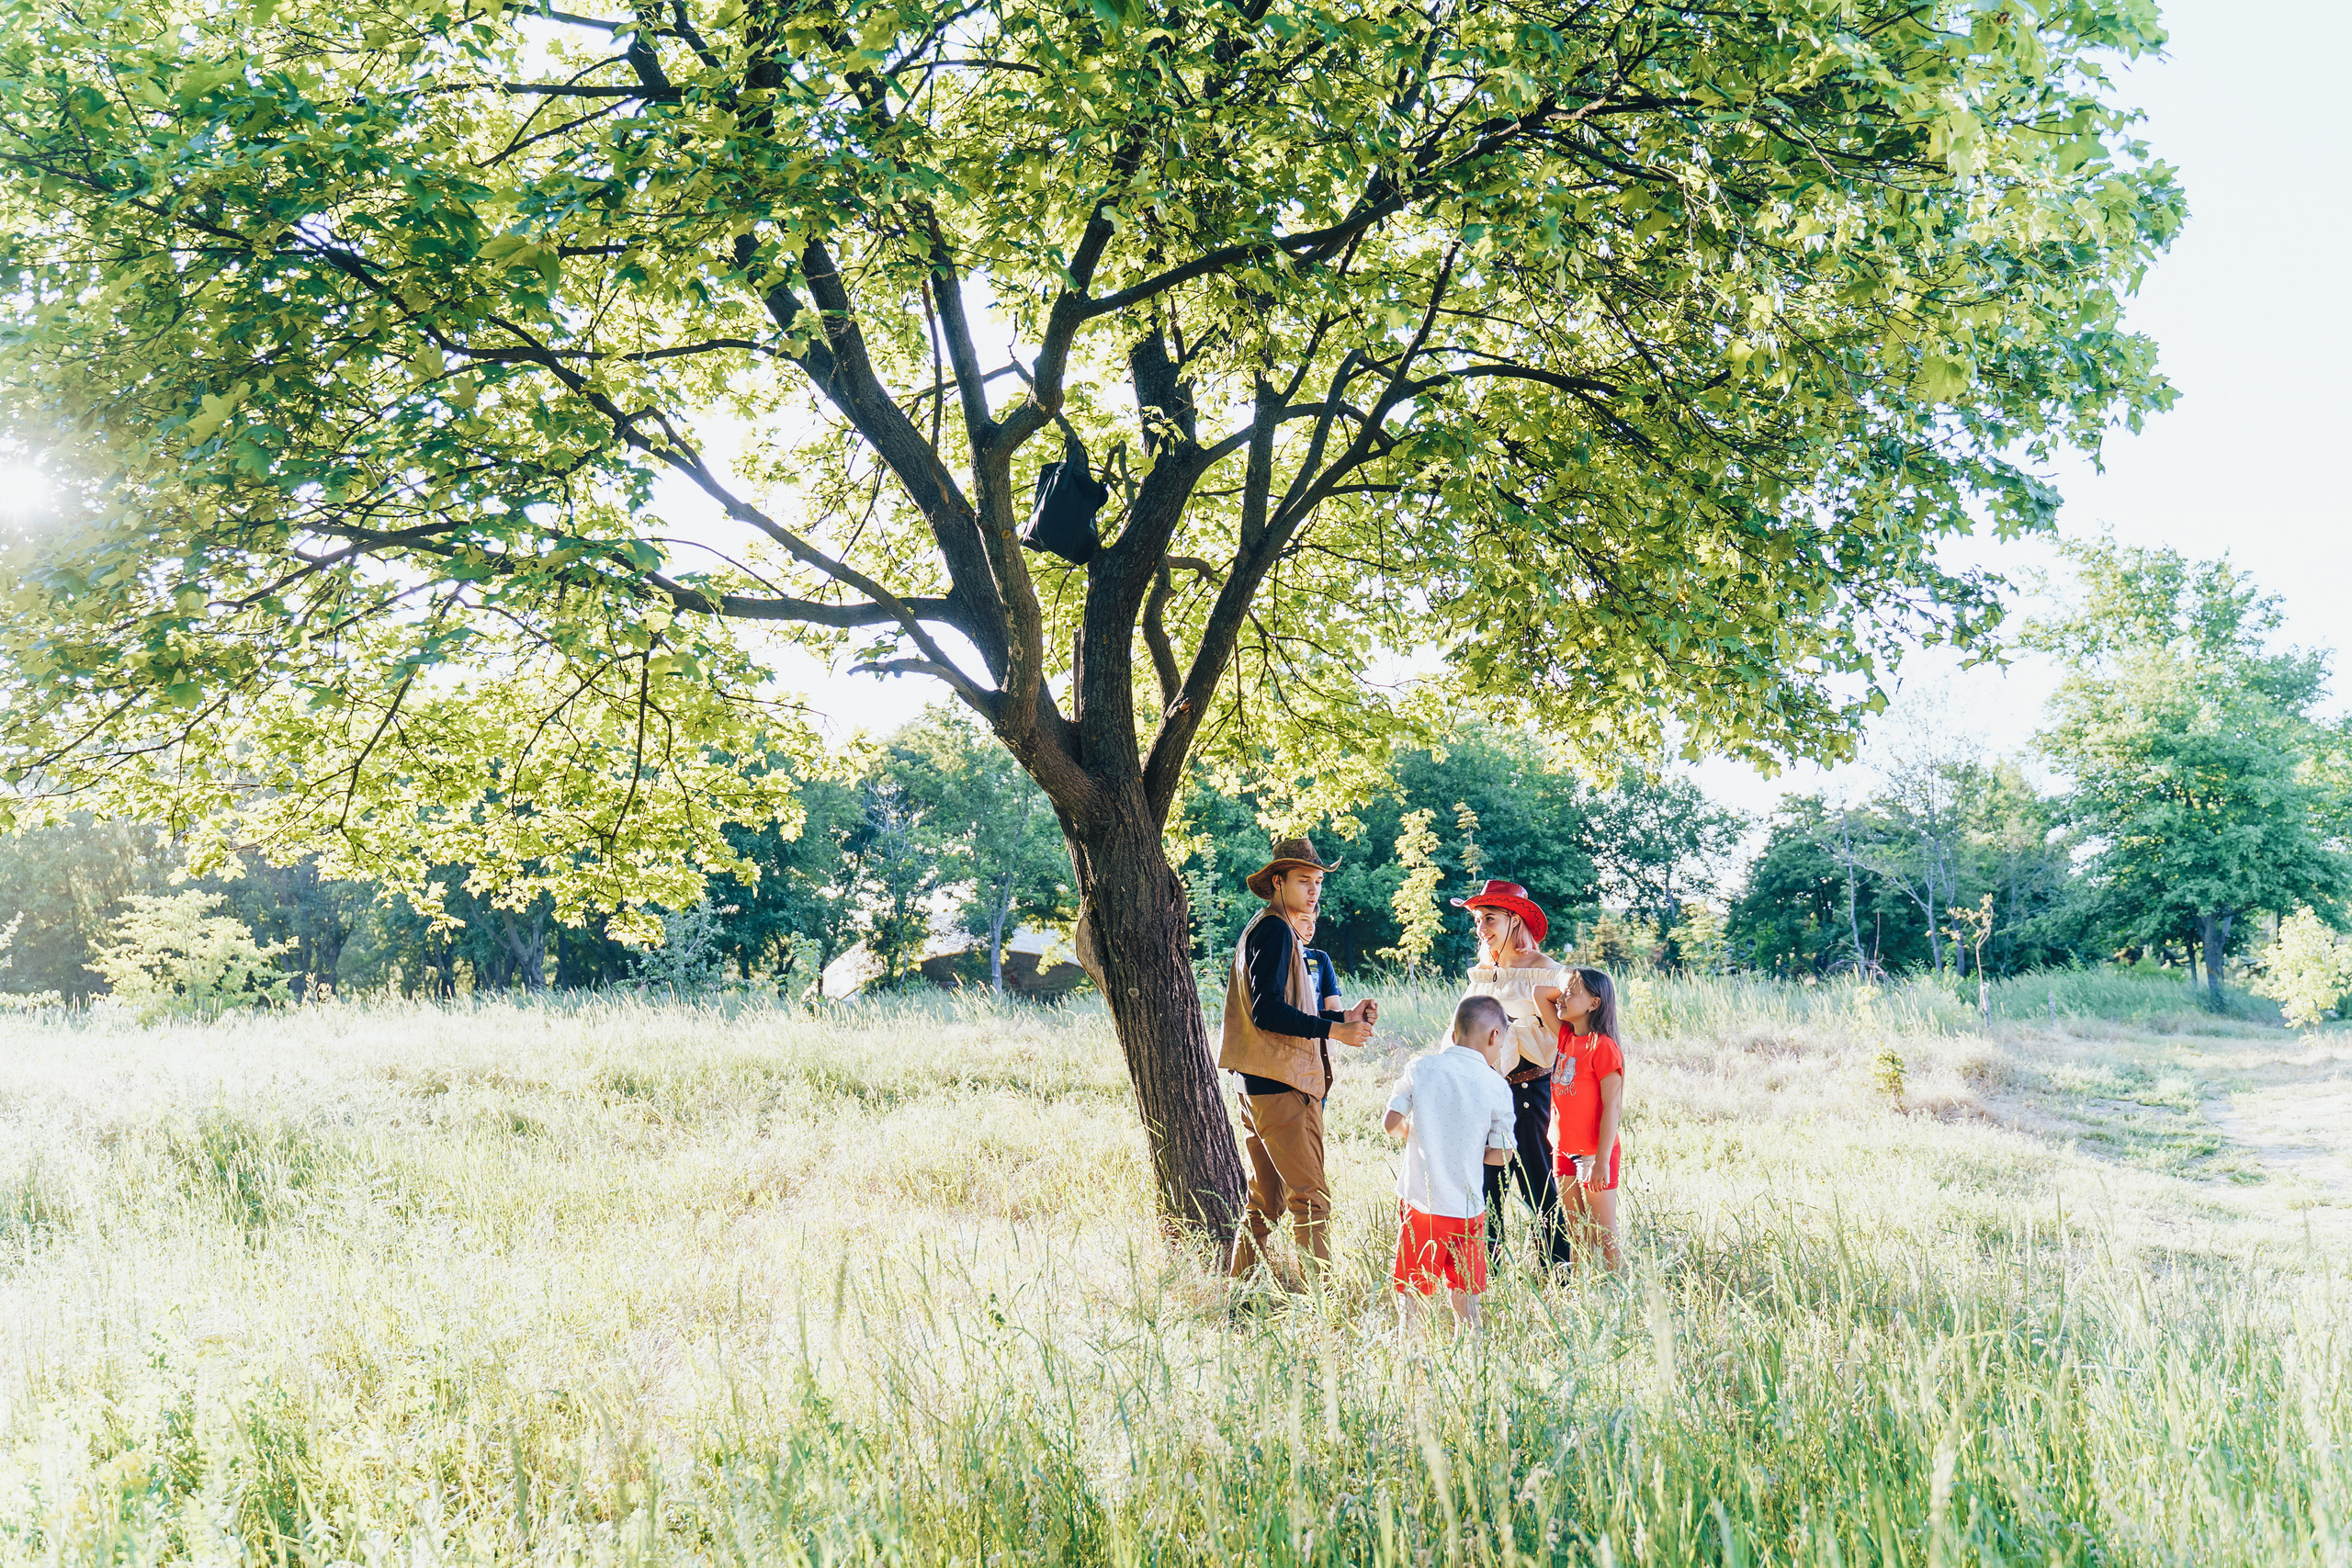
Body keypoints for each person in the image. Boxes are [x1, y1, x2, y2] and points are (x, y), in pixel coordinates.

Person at [1219, 837, 1376, 1282]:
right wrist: (1336, 1031)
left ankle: (1236, 1294)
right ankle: (1321, 1313)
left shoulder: (1273, 930)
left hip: (1259, 1084)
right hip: (1283, 1086)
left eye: (1318, 882)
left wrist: (1346, 1016)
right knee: (1311, 1199)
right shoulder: (1274, 930)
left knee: (1266, 1202)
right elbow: (1266, 1011)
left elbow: (1291, 1007)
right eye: (1304, 880)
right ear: (1277, 881)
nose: (1314, 890)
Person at [1449, 879, 1574, 1269]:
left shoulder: (1546, 972)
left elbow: (1563, 1036)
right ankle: (1490, 1268)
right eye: (1477, 920)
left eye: (1489, 918)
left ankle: (1557, 1269)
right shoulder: (1482, 975)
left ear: (1514, 919)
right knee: (1487, 1182)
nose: (1481, 928)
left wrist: (1510, 1028)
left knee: (1537, 1178)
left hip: (1527, 1089)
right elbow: (1461, 1030)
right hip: (1482, 1092)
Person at [1384, 995, 1516, 1327]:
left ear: (1454, 1033)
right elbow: (1503, 1154)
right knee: (1466, 1296)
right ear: (1493, 1037)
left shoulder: (1421, 1067)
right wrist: (1474, 1152)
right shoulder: (1498, 1086)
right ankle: (1471, 1356)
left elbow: (1390, 1123)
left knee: (1412, 1294)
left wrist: (1412, 1132)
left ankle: (1411, 1359)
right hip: (1468, 1210)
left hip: (1421, 1205)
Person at [1538, 965, 1626, 1271]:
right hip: (1562, 1149)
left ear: (1594, 1003)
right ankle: (1584, 1292)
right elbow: (1540, 993)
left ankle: (1622, 1291)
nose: (1561, 998)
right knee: (1578, 1233)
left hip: (1594, 1153)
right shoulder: (1565, 1036)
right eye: (1563, 992)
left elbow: (1611, 1109)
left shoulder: (1603, 1047)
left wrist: (1601, 1161)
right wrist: (1568, 984)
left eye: (1572, 994)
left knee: (1603, 1234)